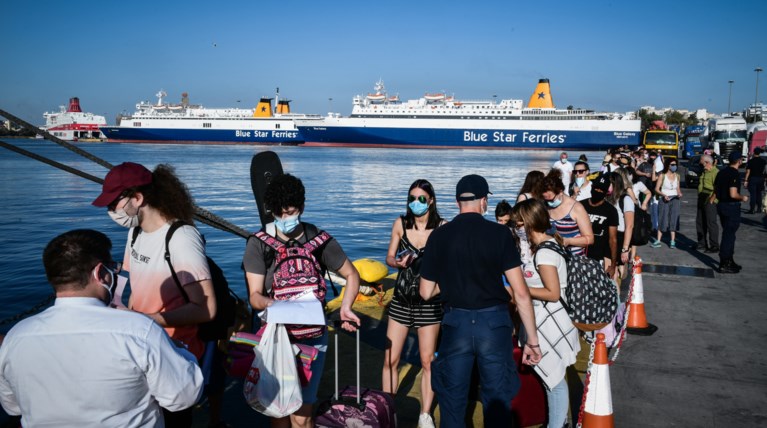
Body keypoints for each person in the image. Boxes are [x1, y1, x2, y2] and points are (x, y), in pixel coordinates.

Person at [0, 229, 203, 427]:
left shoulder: (16, 337)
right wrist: (179, 351)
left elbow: (13, 406)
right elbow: (183, 396)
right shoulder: (139, 330)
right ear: (100, 273)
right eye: (112, 267)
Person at [92, 162, 216, 427]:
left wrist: (148, 321)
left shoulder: (181, 238)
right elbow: (131, 289)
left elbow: (206, 309)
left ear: (137, 198)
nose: (110, 211)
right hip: (139, 349)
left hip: (174, 354)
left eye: (113, 203)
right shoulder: (134, 233)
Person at [418, 174, 541, 427]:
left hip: (456, 323)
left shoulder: (439, 236)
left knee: (452, 401)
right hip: (494, 324)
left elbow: (426, 292)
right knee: (497, 400)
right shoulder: (500, 234)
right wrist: (532, 341)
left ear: (457, 202)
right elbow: (520, 292)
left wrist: (452, 282)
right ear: (484, 201)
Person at [242, 173, 361, 428]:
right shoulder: (258, 244)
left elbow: (352, 274)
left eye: (292, 211)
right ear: (272, 211)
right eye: (280, 213)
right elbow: (254, 297)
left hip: (314, 338)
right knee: (279, 409)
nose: (286, 218)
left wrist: (345, 308)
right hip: (276, 337)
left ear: (302, 207)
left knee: (303, 414)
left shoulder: (319, 239)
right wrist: (271, 305)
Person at [511, 199, 580, 428]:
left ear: (529, 223)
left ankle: (557, 424)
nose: (516, 227)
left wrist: (519, 290)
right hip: (551, 322)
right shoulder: (549, 245)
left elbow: (551, 292)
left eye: (519, 222)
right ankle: (560, 421)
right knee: (554, 378)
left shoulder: (544, 254)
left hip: (550, 324)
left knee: (554, 382)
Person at [382, 179, 445, 428]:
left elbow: (451, 264)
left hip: (429, 304)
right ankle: (388, 410)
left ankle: (425, 415)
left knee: (428, 360)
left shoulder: (442, 228)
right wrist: (396, 263)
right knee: (390, 359)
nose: (415, 203)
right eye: (411, 198)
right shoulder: (401, 223)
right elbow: (388, 256)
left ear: (431, 200)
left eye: (421, 198)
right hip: (401, 301)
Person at [540, 171, 594, 256]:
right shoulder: (544, 206)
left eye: (551, 199)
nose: (548, 202)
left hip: (573, 260)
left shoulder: (576, 208)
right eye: (545, 199)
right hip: (551, 257)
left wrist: (568, 241)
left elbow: (590, 239)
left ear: (561, 192)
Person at [714, 152, 749, 273]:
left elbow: (716, 189)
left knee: (730, 233)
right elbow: (733, 194)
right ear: (739, 161)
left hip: (722, 205)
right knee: (729, 235)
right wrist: (743, 198)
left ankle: (730, 259)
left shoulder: (721, 172)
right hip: (731, 206)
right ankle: (724, 262)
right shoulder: (734, 173)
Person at [582, 174, 618, 278]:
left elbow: (613, 239)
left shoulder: (611, 211)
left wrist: (613, 265)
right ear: (592, 187)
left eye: (601, 189)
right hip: (579, 255)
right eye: (596, 188)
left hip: (599, 257)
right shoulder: (580, 206)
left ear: (606, 192)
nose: (597, 191)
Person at [608, 169, 636, 284]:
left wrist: (625, 249)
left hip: (620, 236)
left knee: (616, 275)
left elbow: (629, 226)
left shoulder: (626, 199)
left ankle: (617, 298)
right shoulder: (609, 198)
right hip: (610, 235)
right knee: (611, 272)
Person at [651, 158, 682, 249]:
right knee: (662, 218)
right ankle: (658, 240)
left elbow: (677, 188)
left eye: (675, 164)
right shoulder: (662, 175)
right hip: (664, 199)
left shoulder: (677, 176)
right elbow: (656, 189)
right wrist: (663, 195)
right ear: (668, 165)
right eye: (672, 164)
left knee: (674, 218)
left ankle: (672, 241)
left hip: (675, 199)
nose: (674, 166)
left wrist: (679, 193)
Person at [696, 154, 720, 253]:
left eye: (701, 162)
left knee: (711, 223)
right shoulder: (704, 171)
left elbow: (717, 188)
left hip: (710, 200)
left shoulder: (715, 172)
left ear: (707, 162)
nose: (700, 164)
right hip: (701, 199)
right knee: (700, 223)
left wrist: (712, 199)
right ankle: (702, 243)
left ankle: (714, 245)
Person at [744, 147, 766, 214]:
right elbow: (765, 171)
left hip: (753, 178)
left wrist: (746, 180)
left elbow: (748, 172)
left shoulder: (751, 161)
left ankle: (752, 209)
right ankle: (759, 208)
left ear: (754, 152)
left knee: (753, 195)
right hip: (761, 179)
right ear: (759, 153)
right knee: (759, 194)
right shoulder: (763, 161)